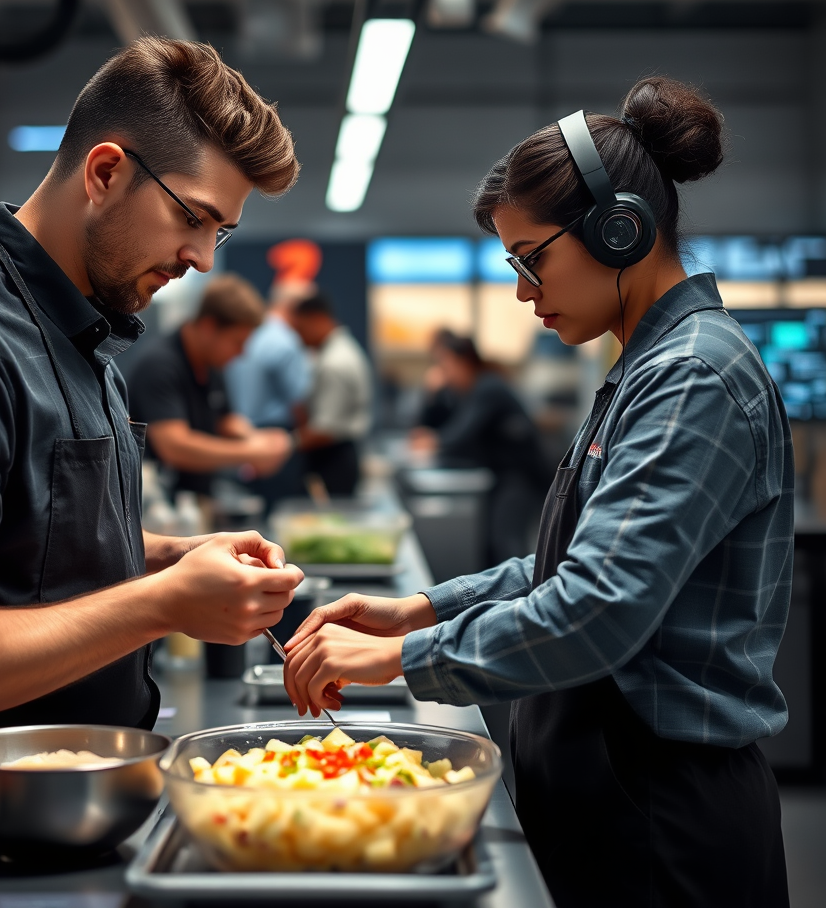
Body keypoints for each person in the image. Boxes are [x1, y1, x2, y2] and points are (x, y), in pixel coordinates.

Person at [283, 77, 792, 908]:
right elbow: (570, 564)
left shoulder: (692, 377)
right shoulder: (646, 369)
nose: (523, 291)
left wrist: (395, 661)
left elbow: (599, 607)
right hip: (612, 796)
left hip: (664, 818)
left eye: (533, 259)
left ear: (619, 230)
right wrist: (418, 610)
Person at [0, 36, 305, 789]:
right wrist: (163, 604)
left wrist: (169, 555)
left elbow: (31, 538)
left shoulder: (82, 331)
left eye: (220, 232)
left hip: (68, 818)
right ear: (106, 172)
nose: (203, 259)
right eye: (193, 217)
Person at [126, 273, 293, 498]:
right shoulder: (159, 364)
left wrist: (257, 438)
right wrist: (251, 451)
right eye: (237, 342)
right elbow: (174, 446)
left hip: (198, 498)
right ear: (208, 326)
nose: (241, 353)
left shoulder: (211, 362)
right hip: (157, 505)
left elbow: (224, 419)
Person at [409, 330, 549, 563]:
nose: (443, 374)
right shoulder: (468, 390)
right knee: (492, 547)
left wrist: (434, 441)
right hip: (501, 475)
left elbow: (460, 435)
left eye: (446, 366)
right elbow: (436, 424)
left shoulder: (488, 387)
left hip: (520, 477)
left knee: (506, 544)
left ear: (463, 362)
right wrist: (430, 395)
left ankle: (528, 596)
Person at [224, 278, 314, 505]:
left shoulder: (247, 333)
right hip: (276, 438)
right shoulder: (286, 340)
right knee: (280, 510)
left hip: (238, 431)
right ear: (296, 309)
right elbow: (299, 402)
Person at [289, 291, 373, 497]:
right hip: (338, 455)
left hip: (334, 460)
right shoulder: (339, 350)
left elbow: (325, 429)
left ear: (317, 320)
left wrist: (287, 444)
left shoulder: (335, 361)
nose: (299, 338)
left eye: (301, 328)